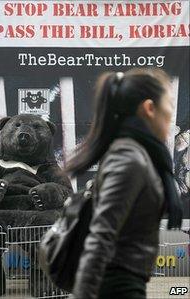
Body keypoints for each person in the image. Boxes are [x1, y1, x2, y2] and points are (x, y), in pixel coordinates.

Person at [64, 68, 183, 299]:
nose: (171, 112)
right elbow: (100, 236)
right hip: (115, 287)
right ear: (149, 108)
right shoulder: (129, 159)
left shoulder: (138, 153)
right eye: (169, 103)